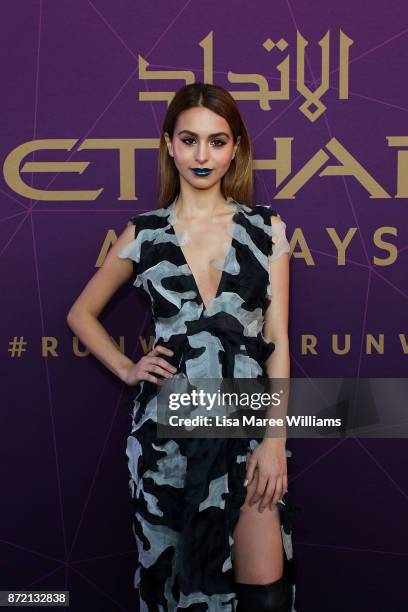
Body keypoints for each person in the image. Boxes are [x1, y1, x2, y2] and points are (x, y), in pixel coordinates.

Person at [67, 83, 297, 611]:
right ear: (169, 144)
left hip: (248, 422)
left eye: (216, 142)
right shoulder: (145, 234)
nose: (202, 155)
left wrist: (274, 439)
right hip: (168, 434)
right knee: (178, 583)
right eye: (189, 140)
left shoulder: (267, 230)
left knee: (264, 591)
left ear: (234, 147)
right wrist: (128, 368)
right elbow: (81, 314)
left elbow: (278, 339)